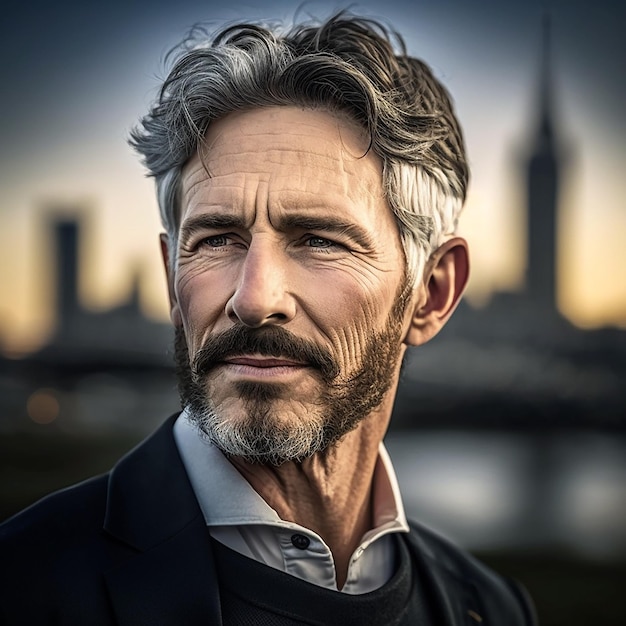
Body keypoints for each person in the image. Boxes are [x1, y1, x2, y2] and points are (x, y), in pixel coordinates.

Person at [0, 12, 536, 625]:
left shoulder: (493, 610)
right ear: (172, 279)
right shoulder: (21, 590)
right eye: (218, 240)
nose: (254, 299)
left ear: (431, 292)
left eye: (319, 240)